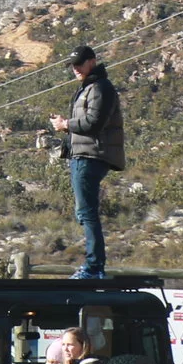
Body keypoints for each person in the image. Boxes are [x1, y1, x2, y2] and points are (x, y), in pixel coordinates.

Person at [50, 46, 126, 279]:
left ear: (92, 62)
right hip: (84, 155)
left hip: (91, 156)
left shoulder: (100, 88)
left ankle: (94, 267)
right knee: (85, 211)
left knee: (86, 212)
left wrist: (66, 125)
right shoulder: (90, 88)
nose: (75, 68)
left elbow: (94, 122)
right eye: (73, 65)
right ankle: (94, 266)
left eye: (80, 64)